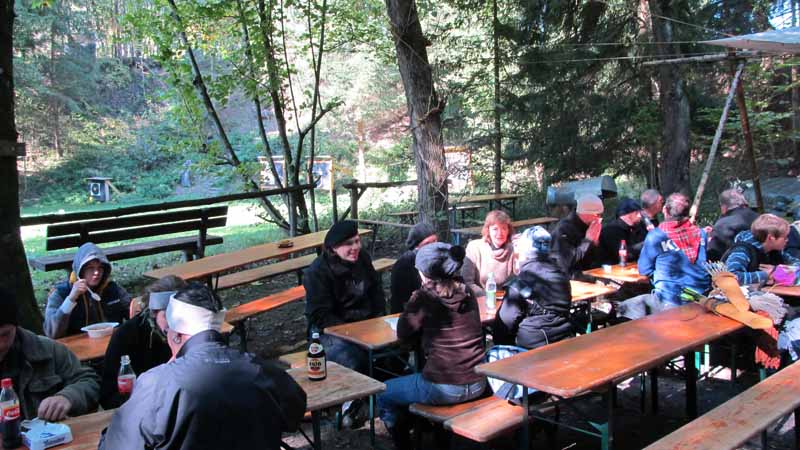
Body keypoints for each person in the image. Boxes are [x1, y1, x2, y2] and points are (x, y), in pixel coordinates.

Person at [98, 283, 306, 450]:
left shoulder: (158, 383)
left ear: (176, 335)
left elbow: (117, 444)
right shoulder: (262, 371)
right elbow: (294, 416)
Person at [378, 243, 487, 448]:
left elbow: (403, 331)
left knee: (383, 393)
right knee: (413, 383)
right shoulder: (467, 293)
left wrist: (413, 301)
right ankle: (424, 428)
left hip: (444, 387)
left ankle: (404, 445)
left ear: (425, 273)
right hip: (478, 381)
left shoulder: (425, 297)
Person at [304, 220, 385, 427]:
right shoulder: (317, 272)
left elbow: (377, 292)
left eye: (357, 241)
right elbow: (319, 315)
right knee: (353, 357)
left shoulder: (363, 259)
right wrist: (351, 333)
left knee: (395, 348)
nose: (356, 247)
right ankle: (350, 406)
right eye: (349, 244)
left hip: (367, 323)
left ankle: (386, 396)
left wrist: (379, 320)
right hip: (331, 332)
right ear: (333, 248)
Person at [0, 288, 100, 421]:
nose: (1, 344)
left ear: (16, 326)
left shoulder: (47, 351)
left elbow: (89, 381)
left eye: (5, 335)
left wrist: (67, 397)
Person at [99, 275, 188, 409]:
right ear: (154, 312)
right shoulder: (127, 335)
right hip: (139, 409)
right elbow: (108, 395)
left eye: (179, 315)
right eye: (167, 315)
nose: (174, 322)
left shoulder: (191, 332)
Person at [617, 193, 711, 319]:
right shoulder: (700, 233)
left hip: (670, 299)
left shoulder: (656, 236)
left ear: (665, 210)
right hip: (702, 296)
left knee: (622, 308)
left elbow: (644, 270)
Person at [494, 226, 573, 349]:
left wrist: (502, 345)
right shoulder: (560, 272)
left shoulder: (524, 278)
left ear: (525, 250)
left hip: (533, 343)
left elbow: (506, 321)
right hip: (564, 335)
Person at [44, 242, 131, 338]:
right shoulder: (61, 293)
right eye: (90, 268)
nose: (96, 272)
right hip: (75, 349)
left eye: (100, 268)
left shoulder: (113, 289)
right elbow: (51, 333)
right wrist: (71, 299)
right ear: (80, 271)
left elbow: (133, 312)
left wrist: (140, 305)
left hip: (111, 345)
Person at [724, 214, 800, 285]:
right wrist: (765, 275)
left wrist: (778, 270)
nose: (787, 240)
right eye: (785, 237)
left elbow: (796, 263)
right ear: (771, 238)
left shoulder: (775, 250)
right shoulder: (742, 251)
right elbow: (731, 277)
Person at [462, 210, 516, 296]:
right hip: (480, 298)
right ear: (488, 230)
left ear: (508, 231)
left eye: (504, 228)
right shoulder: (474, 247)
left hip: (506, 299)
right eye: (495, 229)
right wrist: (487, 296)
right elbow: (467, 282)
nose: (500, 233)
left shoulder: (513, 249)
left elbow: (517, 280)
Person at [551, 193, 604, 278]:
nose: (599, 218)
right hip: (569, 278)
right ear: (585, 213)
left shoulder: (590, 226)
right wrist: (588, 241)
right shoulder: (563, 230)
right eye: (597, 215)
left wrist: (595, 244)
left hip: (590, 272)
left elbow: (595, 259)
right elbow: (565, 262)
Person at [390, 222, 437, 313]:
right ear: (416, 246)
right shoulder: (404, 265)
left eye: (435, 241)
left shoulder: (438, 260)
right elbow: (402, 302)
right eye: (427, 243)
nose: (432, 247)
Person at [707, 189, 759, 261]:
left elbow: (712, 255)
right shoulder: (762, 219)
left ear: (724, 207)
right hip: (769, 269)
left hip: (735, 269)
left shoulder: (722, 225)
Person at [597, 197, 645, 266]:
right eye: (637, 212)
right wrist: (645, 244)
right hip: (612, 270)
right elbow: (622, 255)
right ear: (628, 214)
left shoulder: (639, 227)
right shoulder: (611, 230)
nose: (640, 216)